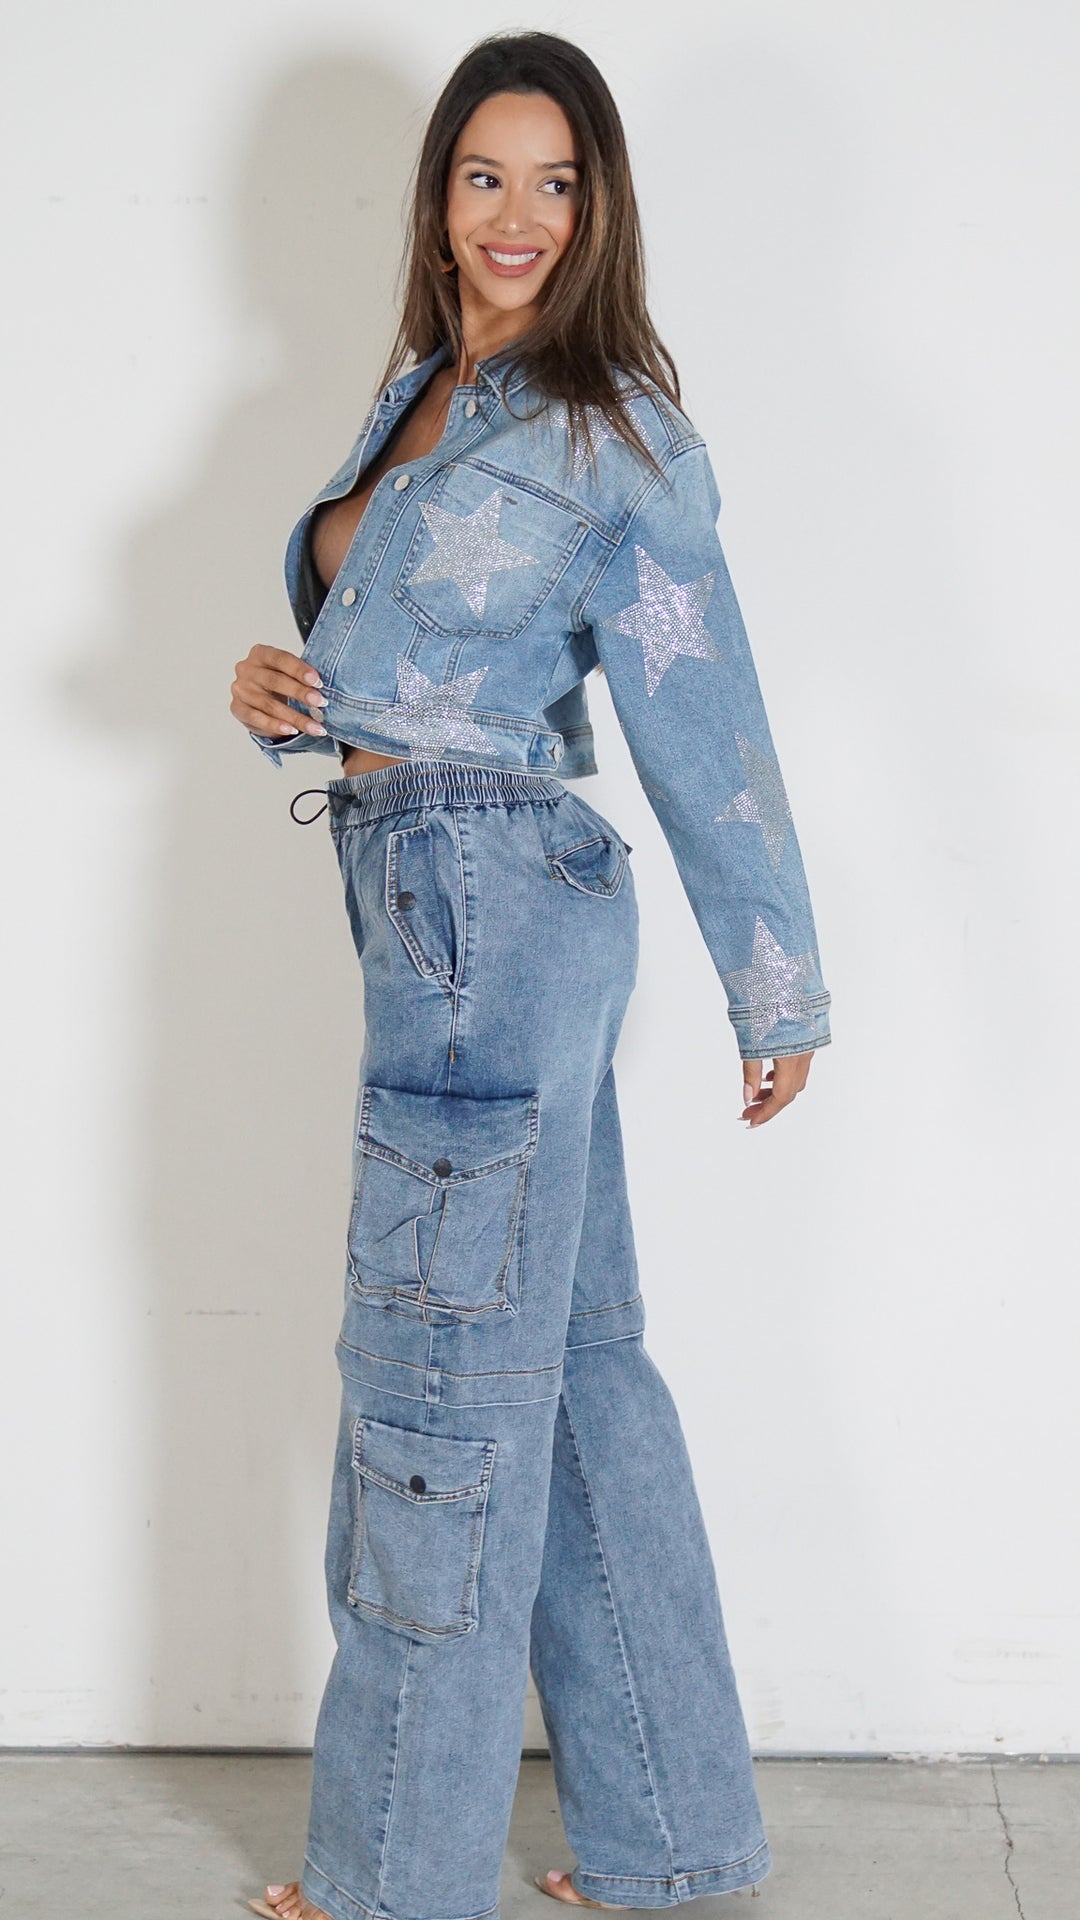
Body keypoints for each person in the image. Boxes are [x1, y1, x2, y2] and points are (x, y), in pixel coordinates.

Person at [230, 31, 830, 1920]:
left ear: (600, 206)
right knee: (566, 1368)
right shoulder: (425, 390)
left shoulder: (615, 432)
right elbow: (399, 662)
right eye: (486, 176)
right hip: (440, 893)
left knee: (437, 1378)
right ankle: (674, 1838)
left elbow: (707, 722)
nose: (518, 216)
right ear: (437, 199)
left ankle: (395, 1879)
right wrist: (279, 693)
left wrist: (776, 987)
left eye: (555, 182)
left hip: (488, 909)